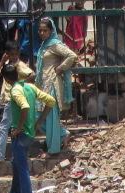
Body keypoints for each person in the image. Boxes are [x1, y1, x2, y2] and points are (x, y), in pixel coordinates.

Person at [4, 62, 57, 193]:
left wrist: (18, 128)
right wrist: (39, 122)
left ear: (6, 80)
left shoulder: (15, 90)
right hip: (30, 134)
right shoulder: (30, 87)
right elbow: (51, 101)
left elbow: (25, 107)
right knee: (17, 164)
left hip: (20, 135)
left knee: (23, 172)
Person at [35, 17, 78, 154]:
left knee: (51, 117)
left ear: (51, 31)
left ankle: (53, 149)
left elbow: (72, 56)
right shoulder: (44, 45)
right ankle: (63, 134)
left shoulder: (54, 44)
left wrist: (60, 68)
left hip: (52, 84)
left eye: (45, 30)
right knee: (38, 115)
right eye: (40, 30)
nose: (42, 33)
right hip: (43, 85)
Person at [0, 42, 35, 162]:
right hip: (9, 99)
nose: (14, 56)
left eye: (16, 54)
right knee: (12, 127)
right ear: (7, 55)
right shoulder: (7, 64)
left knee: (4, 127)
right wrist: (2, 61)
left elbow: (32, 75)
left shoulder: (20, 65)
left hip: (13, 99)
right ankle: (16, 155)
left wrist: (20, 84)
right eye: (11, 54)